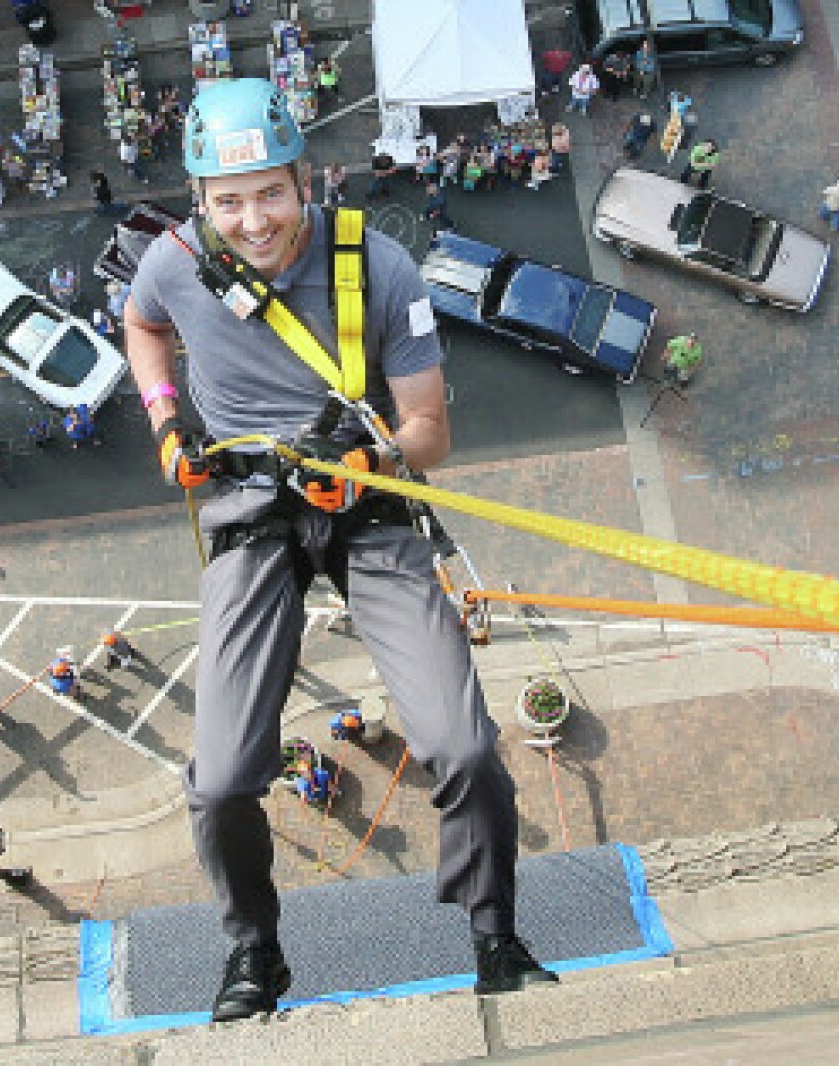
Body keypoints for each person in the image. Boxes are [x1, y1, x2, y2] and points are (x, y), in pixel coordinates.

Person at [123, 77, 556, 1023]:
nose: (252, 221)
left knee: (463, 746)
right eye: (227, 201)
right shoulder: (175, 262)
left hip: (366, 507)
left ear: (304, 181)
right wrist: (165, 422)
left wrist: (371, 457)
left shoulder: (377, 264)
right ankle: (253, 952)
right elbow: (144, 324)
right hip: (249, 503)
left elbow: (431, 431)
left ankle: (494, 931)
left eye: (269, 194)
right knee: (221, 780)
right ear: (200, 202)